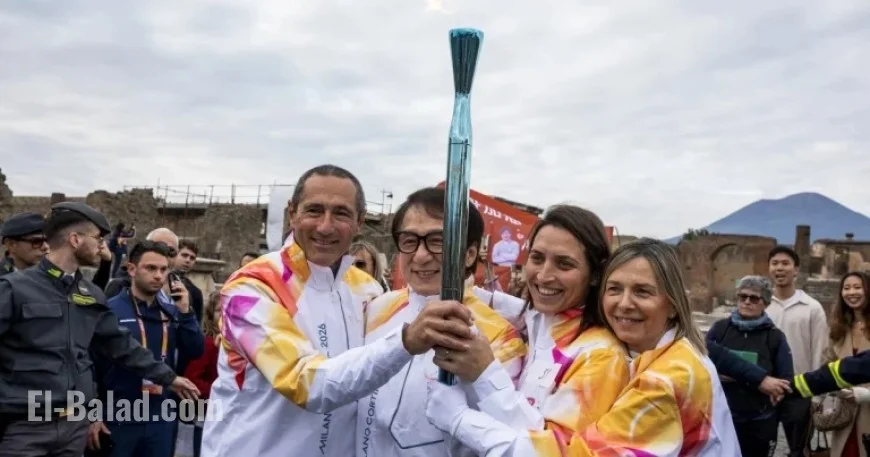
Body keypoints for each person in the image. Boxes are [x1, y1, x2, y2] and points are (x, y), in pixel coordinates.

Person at [200, 165, 477, 457]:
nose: (325, 226)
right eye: (314, 210)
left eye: (341, 214)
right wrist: (406, 341)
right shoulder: (252, 288)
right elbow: (306, 383)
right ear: (292, 213)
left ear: (360, 221)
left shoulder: (367, 290)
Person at [426, 238, 740, 456]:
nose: (624, 303)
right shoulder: (669, 352)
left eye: (642, 292)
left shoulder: (665, 380)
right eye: (614, 289)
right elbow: (533, 315)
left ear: (672, 304)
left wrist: (460, 419)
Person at [424, 205, 634, 456]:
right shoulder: (538, 319)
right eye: (537, 258)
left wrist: (463, 412)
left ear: (596, 275)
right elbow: (502, 304)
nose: (543, 276)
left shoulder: (601, 356)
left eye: (564, 264)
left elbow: (555, 451)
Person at [0, 202, 199, 457]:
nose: (102, 246)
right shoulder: (14, 289)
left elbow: (120, 345)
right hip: (26, 426)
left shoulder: (90, 294)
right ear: (75, 240)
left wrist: (169, 378)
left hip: (74, 427)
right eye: (97, 238)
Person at [356, 187, 527, 457]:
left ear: (470, 254)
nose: (421, 256)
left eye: (438, 241)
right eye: (409, 240)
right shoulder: (377, 309)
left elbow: (507, 435)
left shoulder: (499, 337)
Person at [88, 241, 205, 457]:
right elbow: (90, 365)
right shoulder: (110, 310)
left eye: (163, 269)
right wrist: (93, 413)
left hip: (160, 417)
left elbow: (195, 350)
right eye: (150, 268)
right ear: (132, 269)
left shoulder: (172, 312)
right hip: (118, 415)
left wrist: (186, 312)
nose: (158, 276)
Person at [706, 275, 793, 457]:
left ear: (765, 303)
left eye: (754, 298)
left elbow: (785, 379)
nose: (747, 302)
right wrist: (755, 378)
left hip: (759, 420)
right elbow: (703, 364)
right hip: (723, 417)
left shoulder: (775, 337)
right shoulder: (720, 329)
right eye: (742, 296)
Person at [766, 245, 828, 457]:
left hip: (800, 389)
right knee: (760, 447)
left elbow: (819, 350)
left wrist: (818, 395)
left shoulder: (812, 308)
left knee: (798, 449)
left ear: (796, 270)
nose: (779, 268)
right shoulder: (761, 306)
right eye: (775, 263)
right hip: (764, 387)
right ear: (769, 268)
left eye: (785, 263)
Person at [824, 271, 870, 457]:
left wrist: (867, 395)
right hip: (845, 416)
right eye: (847, 288)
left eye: (857, 287)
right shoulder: (839, 327)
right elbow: (827, 364)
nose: (851, 292)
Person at [184, 291, 222, 457]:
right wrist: (220, 391)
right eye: (219, 310)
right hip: (208, 416)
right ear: (210, 316)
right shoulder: (207, 345)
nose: (224, 315)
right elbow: (192, 379)